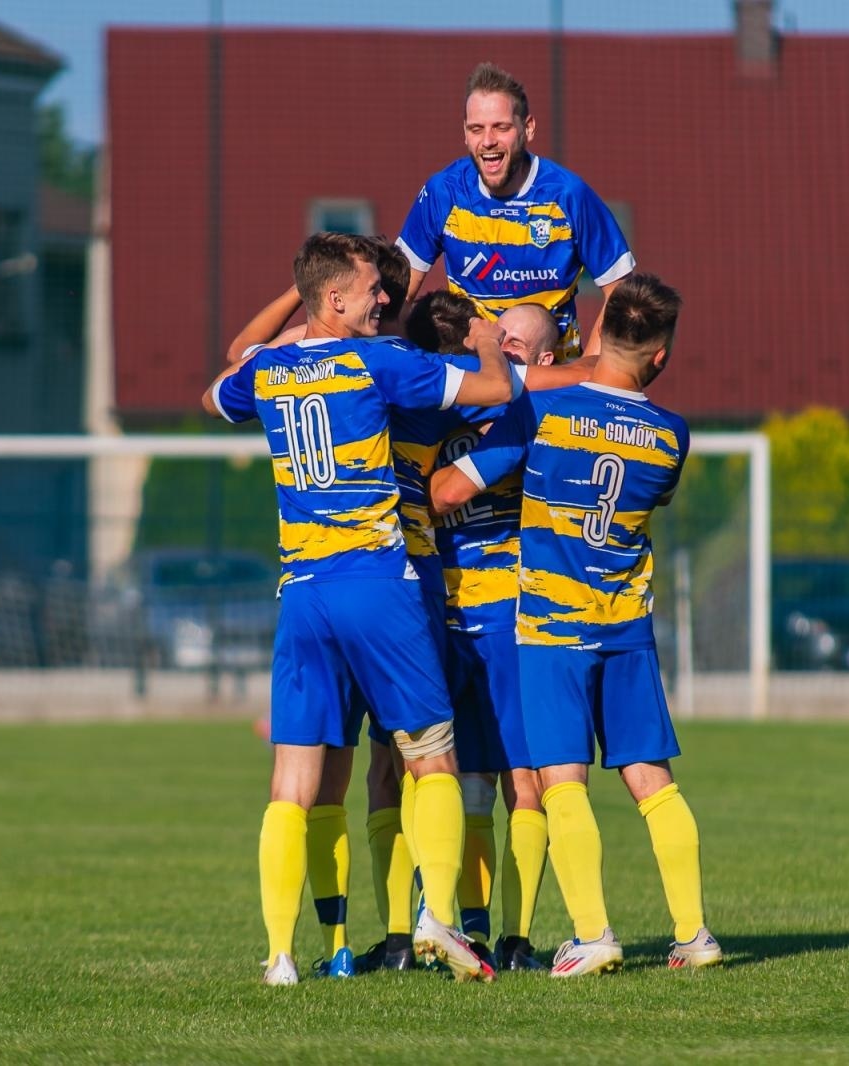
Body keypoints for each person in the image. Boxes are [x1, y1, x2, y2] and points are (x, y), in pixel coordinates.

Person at [204, 231, 513, 985]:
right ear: (336, 298)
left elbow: (216, 388)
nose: (385, 300)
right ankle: (438, 915)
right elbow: (496, 392)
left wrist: (300, 297)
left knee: (294, 780)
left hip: (302, 597)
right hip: (378, 579)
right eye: (372, 289)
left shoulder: (272, 370)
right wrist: (491, 342)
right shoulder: (382, 362)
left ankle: (281, 954)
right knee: (429, 756)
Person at [431, 273, 723, 977]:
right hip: (625, 627)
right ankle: (694, 933)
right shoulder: (671, 436)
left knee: (562, 780)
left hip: (553, 631)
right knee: (654, 779)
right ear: (660, 355)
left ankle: (594, 933)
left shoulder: (541, 415)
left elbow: (447, 492)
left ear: (603, 336)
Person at [435, 300, 562, 972]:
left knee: (525, 780)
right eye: (491, 333)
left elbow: (448, 492)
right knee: (461, 782)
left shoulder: (523, 413)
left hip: (507, 617)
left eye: (511, 343)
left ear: (542, 362)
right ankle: (470, 929)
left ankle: (516, 937)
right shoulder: (455, 394)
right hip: (444, 613)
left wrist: (387, 490)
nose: (494, 346)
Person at [397, 63, 634, 361]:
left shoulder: (568, 194)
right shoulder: (444, 193)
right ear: (465, 135)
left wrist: (588, 371)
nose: (488, 141)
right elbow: (399, 293)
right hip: (475, 375)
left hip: (554, 376)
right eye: (476, 129)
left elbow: (621, 289)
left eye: (501, 127)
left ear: (528, 128)